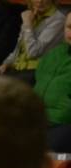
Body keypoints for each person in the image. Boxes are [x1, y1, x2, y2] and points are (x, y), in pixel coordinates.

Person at [0, 0, 64, 84]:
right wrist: (6, 64)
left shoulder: (58, 20)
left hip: (37, 71)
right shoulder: (31, 15)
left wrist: (27, 25)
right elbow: (18, 48)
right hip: (18, 68)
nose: (39, 1)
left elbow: (33, 52)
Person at [35, 12, 71, 151]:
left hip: (63, 123)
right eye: (69, 27)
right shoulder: (54, 54)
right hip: (36, 117)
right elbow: (37, 80)